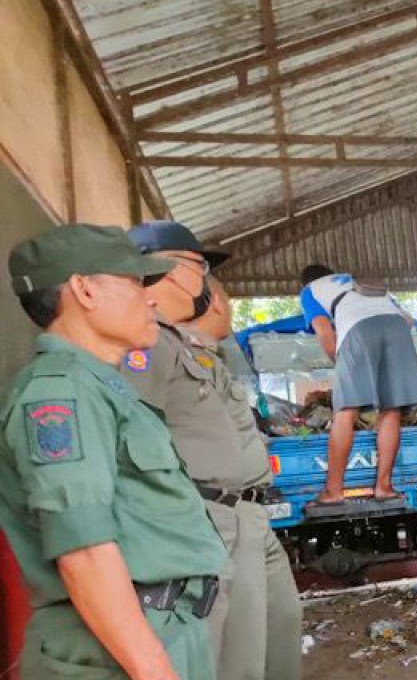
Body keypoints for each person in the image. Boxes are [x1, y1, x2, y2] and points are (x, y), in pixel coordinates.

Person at [0, 224, 226, 680]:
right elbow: (83, 551)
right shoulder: (60, 396)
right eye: (133, 283)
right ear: (83, 289)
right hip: (116, 650)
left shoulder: (101, 388)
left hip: (157, 629)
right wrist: (155, 670)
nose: (151, 298)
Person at [121, 221, 301, 680]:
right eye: (201, 267)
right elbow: (131, 443)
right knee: (234, 659)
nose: (207, 285)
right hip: (207, 516)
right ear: (171, 270)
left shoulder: (183, 344)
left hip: (244, 509)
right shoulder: (144, 347)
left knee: (268, 644)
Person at [297, 264, 417, 504]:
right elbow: (409, 321)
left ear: (304, 282)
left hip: (358, 330)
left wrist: (341, 366)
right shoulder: (354, 280)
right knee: (391, 409)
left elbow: (324, 331)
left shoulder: (310, 290)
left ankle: (334, 491)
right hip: (396, 327)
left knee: (346, 411)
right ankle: (384, 487)